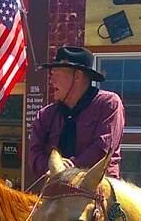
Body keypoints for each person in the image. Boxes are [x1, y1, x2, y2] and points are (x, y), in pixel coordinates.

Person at [27, 46, 125, 181]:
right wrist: (52, 165)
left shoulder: (108, 104)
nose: (51, 81)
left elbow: (102, 149)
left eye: (56, 74)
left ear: (77, 76)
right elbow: (34, 156)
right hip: (56, 193)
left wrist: (69, 170)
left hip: (99, 191)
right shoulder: (45, 115)